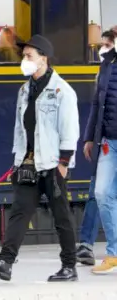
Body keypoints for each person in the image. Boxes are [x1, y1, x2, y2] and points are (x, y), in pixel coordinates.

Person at [0, 35, 79, 282]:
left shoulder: (61, 91)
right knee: (19, 212)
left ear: (43, 58)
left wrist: (63, 163)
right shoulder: (24, 90)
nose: (24, 60)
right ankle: (5, 263)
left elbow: (70, 129)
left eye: (29, 56)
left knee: (61, 215)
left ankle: (69, 266)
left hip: (53, 164)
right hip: (29, 163)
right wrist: (18, 160)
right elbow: (19, 129)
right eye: (24, 56)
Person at [78, 30, 115, 267]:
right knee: (99, 192)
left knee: (100, 192)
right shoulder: (105, 68)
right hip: (108, 141)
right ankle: (96, 246)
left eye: (108, 43)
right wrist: (89, 137)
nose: (103, 48)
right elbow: (96, 103)